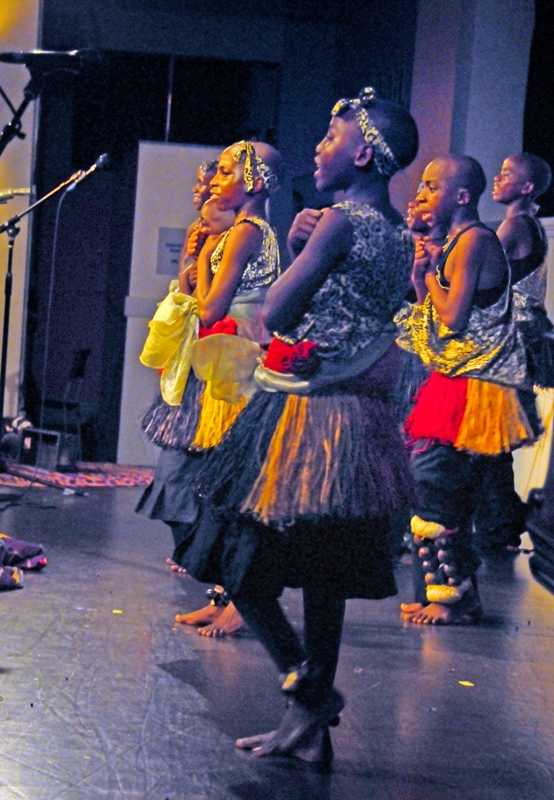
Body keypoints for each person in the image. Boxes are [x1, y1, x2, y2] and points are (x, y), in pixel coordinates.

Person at [188, 88, 419, 764]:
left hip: (305, 416)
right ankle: (306, 726)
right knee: (324, 574)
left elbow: (275, 317)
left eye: (330, 135)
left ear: (364, 152)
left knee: (239, 563)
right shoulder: (399, 233)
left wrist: (298, 248)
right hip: (360, 424)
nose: (319, 146)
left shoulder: (339, 223)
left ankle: (306, 691)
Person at [146, 140, 284, 637]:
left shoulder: (248, 232)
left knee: (231, 488)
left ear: (256, 181)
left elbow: (209, 309)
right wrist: (197, 255)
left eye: (227, 171)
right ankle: (224, 594)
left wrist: (203, 257)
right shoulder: (239, 233)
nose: (216, 180)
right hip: (223, 364)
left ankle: (242, 603)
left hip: (239, 368)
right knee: (212, 487)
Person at [396, 155, 537, 626]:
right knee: (434, 484)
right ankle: (451, 593)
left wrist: (432, 276)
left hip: (478, 387)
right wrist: (423, 278)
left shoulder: (474, 241)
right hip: (457, 380)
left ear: (460, 196)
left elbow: (453, 318)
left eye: (432, 187)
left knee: (433, 479)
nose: (422, 194)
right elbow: (434, 319)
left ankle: (455, 596)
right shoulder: (456, 243)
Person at [472, 153, 552, 552]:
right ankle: (500, 523)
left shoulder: (516, 225)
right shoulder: (525, 223)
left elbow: (480, 270)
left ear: (527, 187)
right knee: (492, 438)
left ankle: (505, 521)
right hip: (517, 335)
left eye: (506, 175)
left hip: (510, 339)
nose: (497, 179)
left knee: (491, 436)